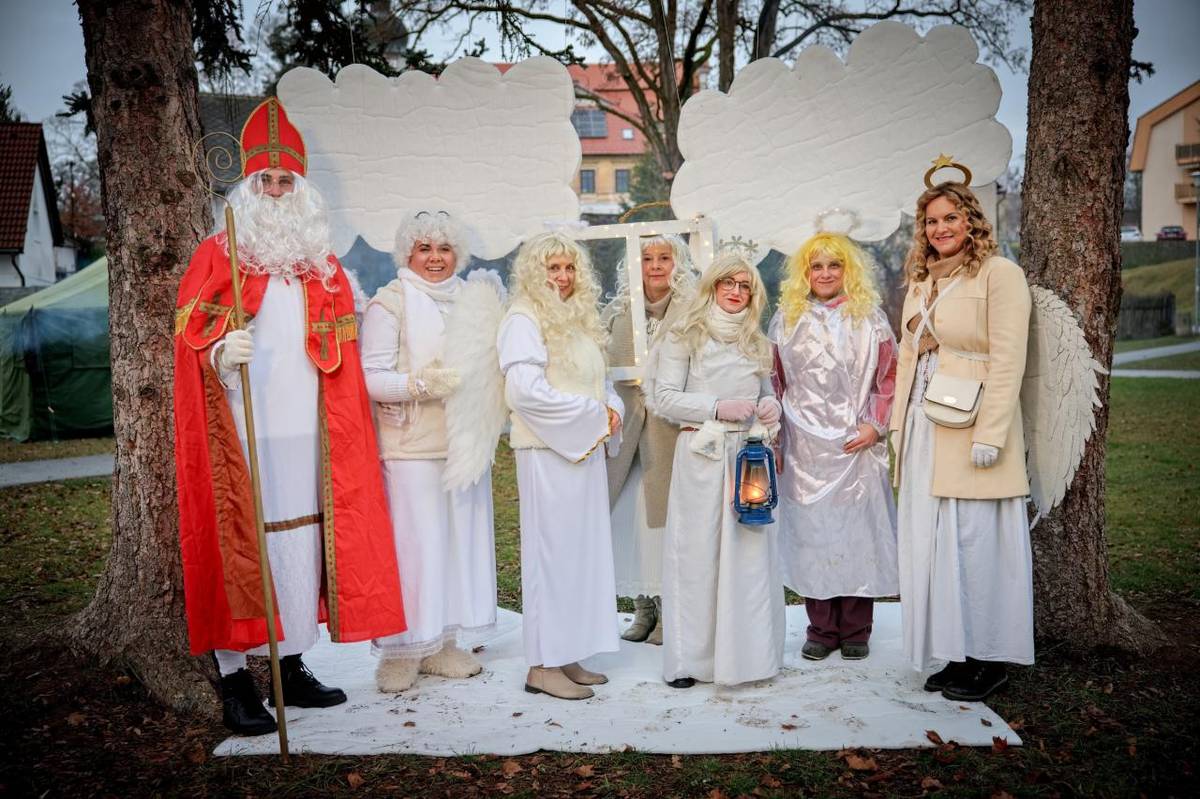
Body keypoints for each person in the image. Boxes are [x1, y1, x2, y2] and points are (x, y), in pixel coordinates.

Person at [174, 98, 405, 736]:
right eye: (265, 181)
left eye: (286, 182)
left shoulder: (323, 267)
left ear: (301, 189)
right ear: (247, 186)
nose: (275, 192)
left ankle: (290, 663)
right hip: (244, 427)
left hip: (310, 430)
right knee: (241, 545)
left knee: (301, 541)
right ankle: (235, 680)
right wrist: (220, 349)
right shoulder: (218, 253)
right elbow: (187, 332)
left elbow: (341, 347)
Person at [889, 174, 1034, 702]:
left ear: (971, 220)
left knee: (975, 541)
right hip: (927, 425)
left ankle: (989, 657)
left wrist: (992, 434)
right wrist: (898, 426)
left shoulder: (1000, 275)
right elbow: (910, 352)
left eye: (951, 217)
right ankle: (954, 650)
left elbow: (1008, 358)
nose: (941, 228)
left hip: (973, 426)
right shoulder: (922, 280)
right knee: (936, 539)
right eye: (931, 221)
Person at [362, 211, 503, 692]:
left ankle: (440, 646)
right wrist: (419, 384)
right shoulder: (390, 304)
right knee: (415, 549)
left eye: (444, 250)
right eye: (425, 249)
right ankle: (401, 653)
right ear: (407, 254)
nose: (435, 258)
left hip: (464, 443)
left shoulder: (472, 301)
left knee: (454, 548)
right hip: (411, 446)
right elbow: (369, 378)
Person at [496, 231, 624, 701]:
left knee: (577, 556)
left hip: (581, 451)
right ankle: (542, 666)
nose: (563, 277)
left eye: (569, 268)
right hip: (548, 454)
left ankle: (566, 653)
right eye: (553, 268)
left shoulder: (576, 319)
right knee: (551, 558)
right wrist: (593, 417)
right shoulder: (523, 319)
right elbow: (524, 392)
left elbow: (598, 381)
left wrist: (611, 410)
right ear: (535, 272)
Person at [654, 251, 785, 689]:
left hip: (748, 457)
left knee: (748, 555)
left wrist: (771, 407)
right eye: (728, 283)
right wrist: (715, 406)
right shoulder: (685, 333)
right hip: (703, 453)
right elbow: (666, 397)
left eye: (744, 285)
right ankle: (691, 660)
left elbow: (767, 394)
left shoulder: (757, 340)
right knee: (697, 555)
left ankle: (747, 658)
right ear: (712, 287)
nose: (735, 291)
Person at [769, 232, 899, 662]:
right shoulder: (787, 319)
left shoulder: (870, 319)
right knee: (814, 535)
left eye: (834, 265)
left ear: (848, 271)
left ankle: (857, 629)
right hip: (805, 448)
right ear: (804, 273)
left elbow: (889, 378)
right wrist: (778, 435)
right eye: (816, 266)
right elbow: (773, 381)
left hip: (855, 444)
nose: (825, 274)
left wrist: (875, 427)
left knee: (858, 533)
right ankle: (821, 628)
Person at [602, 235, 697, 645]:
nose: (656, 266)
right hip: (627, 429)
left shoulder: (693, 311)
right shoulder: (618, 312)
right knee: (631, 520)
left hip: (668, 431)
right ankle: (643, 607)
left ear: (679, 264)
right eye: (647, 258)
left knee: (665, 519)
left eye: (664, 258)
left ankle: (670, 609)